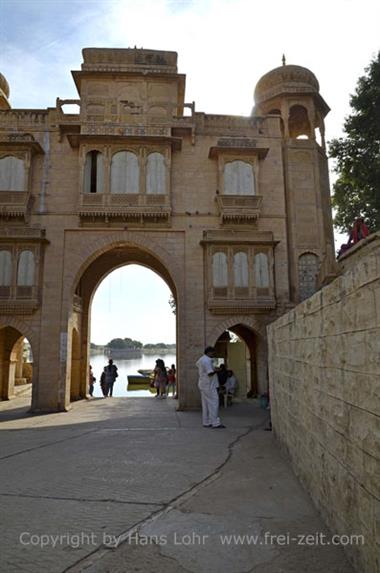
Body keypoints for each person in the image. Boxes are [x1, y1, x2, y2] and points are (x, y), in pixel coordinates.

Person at [196, 346, 225, 428]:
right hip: (209, 385)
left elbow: (202, 368)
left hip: (203, 384)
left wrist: (214, 368)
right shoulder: (207, 361)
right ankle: (215, 423)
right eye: (213, 352)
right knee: (214, 403)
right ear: (209, 352)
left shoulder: (202, 359)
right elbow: (210, 373)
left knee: (205, 404)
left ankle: (206, 421)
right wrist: (217, 370)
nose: (214, 354)